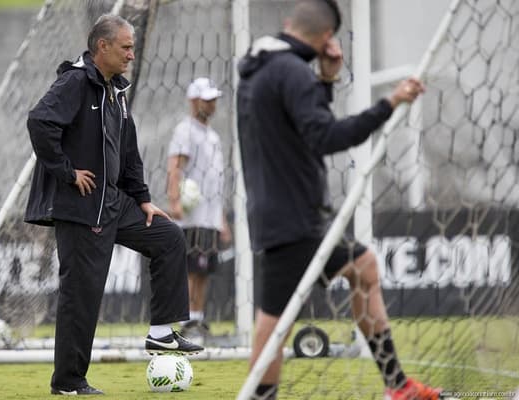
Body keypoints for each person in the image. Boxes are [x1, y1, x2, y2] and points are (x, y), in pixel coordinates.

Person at [236, 1, 441, 399]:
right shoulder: (293, 73)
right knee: (274, 320)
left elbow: (298, 132)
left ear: (288, 25)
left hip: (279, 213)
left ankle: (397, 385)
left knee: (361, 267)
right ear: (327, 37)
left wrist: (325, 82)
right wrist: (390, 103)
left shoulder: (259, 66)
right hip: (293, 219)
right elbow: (327, 137)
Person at [24, 14, 203, 396]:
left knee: (168, 237)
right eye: (125, 47)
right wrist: (67, 173)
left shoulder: (116, 91)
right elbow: (40, 121)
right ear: (101, 47)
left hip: (116, 204)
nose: (131, 55)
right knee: (82, 294)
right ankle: (68, 382)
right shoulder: (74, 81)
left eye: (133, 48)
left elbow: (128, 152)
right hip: (82, 206)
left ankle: (160, 335)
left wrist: (143, 200)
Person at [166, 78, 232, 337]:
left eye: (214, 99)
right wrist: (174, 202)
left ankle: (197, 319)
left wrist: (222, 221)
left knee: (204, 270)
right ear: (193, 101)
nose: (212, 104)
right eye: (206, 99)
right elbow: (175, 167)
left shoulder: (213, 136)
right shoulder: (186, 130)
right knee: (191, 269)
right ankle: (185, 321)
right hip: (191, 217)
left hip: (210, 217)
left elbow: (215, 182)